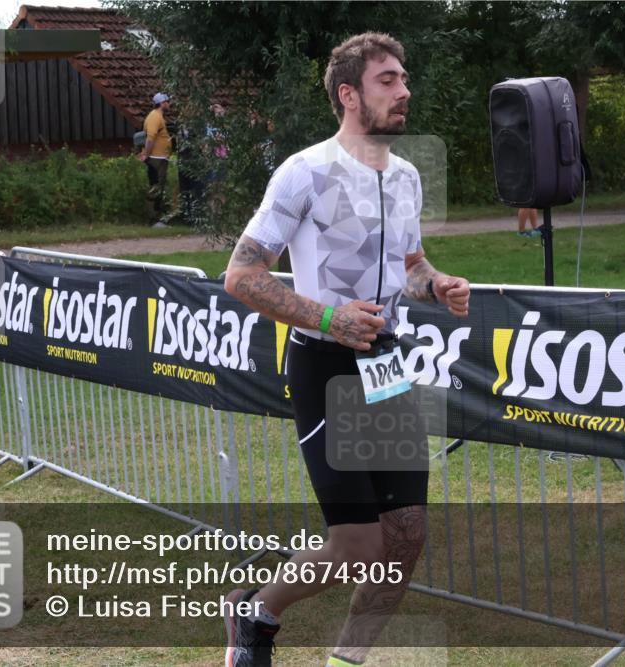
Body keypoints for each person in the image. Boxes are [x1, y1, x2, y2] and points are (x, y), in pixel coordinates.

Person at [223, 32, 470, 667]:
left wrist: (436, 285)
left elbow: (409, 264)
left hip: (385, 367)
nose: (404, 90)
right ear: (348, 94)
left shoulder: (409, 175)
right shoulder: (305, 172)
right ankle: (256, 613)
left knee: (406, 536)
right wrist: (329, 317)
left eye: (403, 78)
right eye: (388, 80)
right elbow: (242, 276)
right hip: (325, 367)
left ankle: (347, 660)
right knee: (358, 543)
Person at [139, 92, 173, 226]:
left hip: (161, 157)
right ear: (162, 103)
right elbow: (150, 138)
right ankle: (153, 219)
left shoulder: (159, 117)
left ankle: (157, 217)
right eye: (168, 102)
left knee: (160, 187)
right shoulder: (154, 117)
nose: (169, 104)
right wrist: (146, 154)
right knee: (156, 188)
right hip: (156, 158)